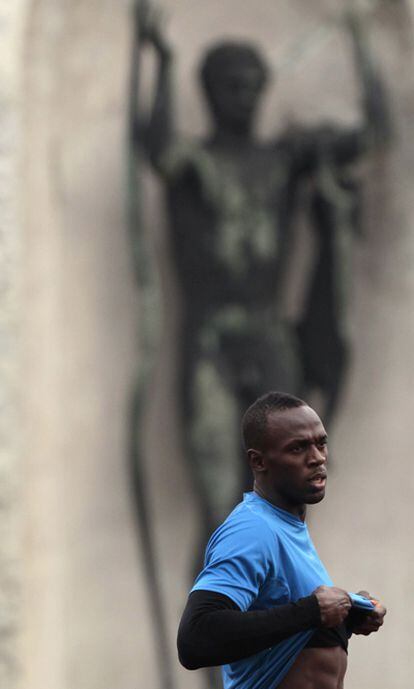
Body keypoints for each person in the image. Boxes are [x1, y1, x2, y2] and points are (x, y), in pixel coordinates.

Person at [177, 391, 386, 689]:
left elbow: (287, 631)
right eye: (298, 448)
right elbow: (195, 638)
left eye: (321, 443)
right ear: (258, 461)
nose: (317, 458)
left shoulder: (285, 526)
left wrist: (347, 617)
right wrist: (312, 611)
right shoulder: (252, 530)